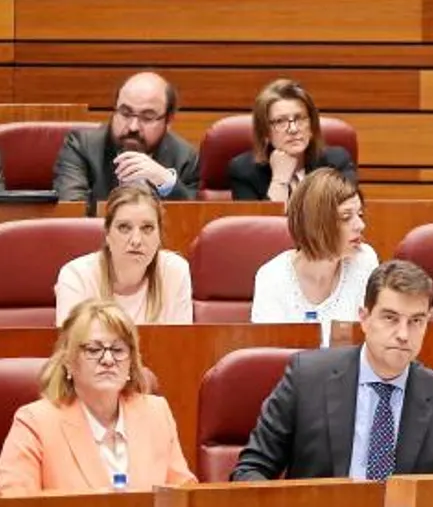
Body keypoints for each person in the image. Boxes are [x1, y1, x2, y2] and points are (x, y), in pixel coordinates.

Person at [231, 260, 433, 480]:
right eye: (390, 318)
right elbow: (251, 470)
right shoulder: (307, 378)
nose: (403, 335)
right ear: (364, 318)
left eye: (416, 321)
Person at [0, 300, 196, 494]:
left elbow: (185, 494)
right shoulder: (35, 422)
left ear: (131, 363)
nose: (108, 360)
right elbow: (11, 504)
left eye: (118, 350)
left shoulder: (156, 413)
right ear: (69, 362)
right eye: (93, 349)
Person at [249, 168, 379, 339]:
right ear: (317, 224)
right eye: (346, 217)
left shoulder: (364, 260)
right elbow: (269, 353)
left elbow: (373, 340)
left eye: (360, 214)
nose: (360, 225)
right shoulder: (273, 276)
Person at [53, 71, 201, 202]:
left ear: (168, 121)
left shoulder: (185, 158)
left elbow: (193, 220)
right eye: (125, 113)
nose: (133, 127)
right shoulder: (81, 147)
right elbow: (72, 212)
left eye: (147, 117)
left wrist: (165, 182)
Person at [54, 185, 192, 325]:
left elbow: (182, 344)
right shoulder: (77, 276)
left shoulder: (175, 271)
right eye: (124, 228)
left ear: (159, 236)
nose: (136, 240)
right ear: (107, 234)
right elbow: (71, 345)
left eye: (147, 228)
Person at [225, 78, 358, 203]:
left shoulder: (336, 163)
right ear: (265, 131)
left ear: (312, 125)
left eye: (300, 118)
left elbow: (345, 218)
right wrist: (279, 181)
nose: (293, 129)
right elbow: (259, 226)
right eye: (280, 121)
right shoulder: (244, 171)